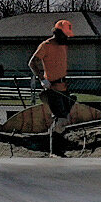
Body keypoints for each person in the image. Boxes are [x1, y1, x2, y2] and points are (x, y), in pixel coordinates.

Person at [29, 20, 77, 151]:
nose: (67, 37)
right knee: (61, 118)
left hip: (63, 87)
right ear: (58, 33)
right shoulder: (46, 45)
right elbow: (32, 63)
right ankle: (54, 148)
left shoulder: (63, 46)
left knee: (64, 118)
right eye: (65, 34)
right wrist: (42, 79)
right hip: (52, 88)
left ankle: (57, 144)